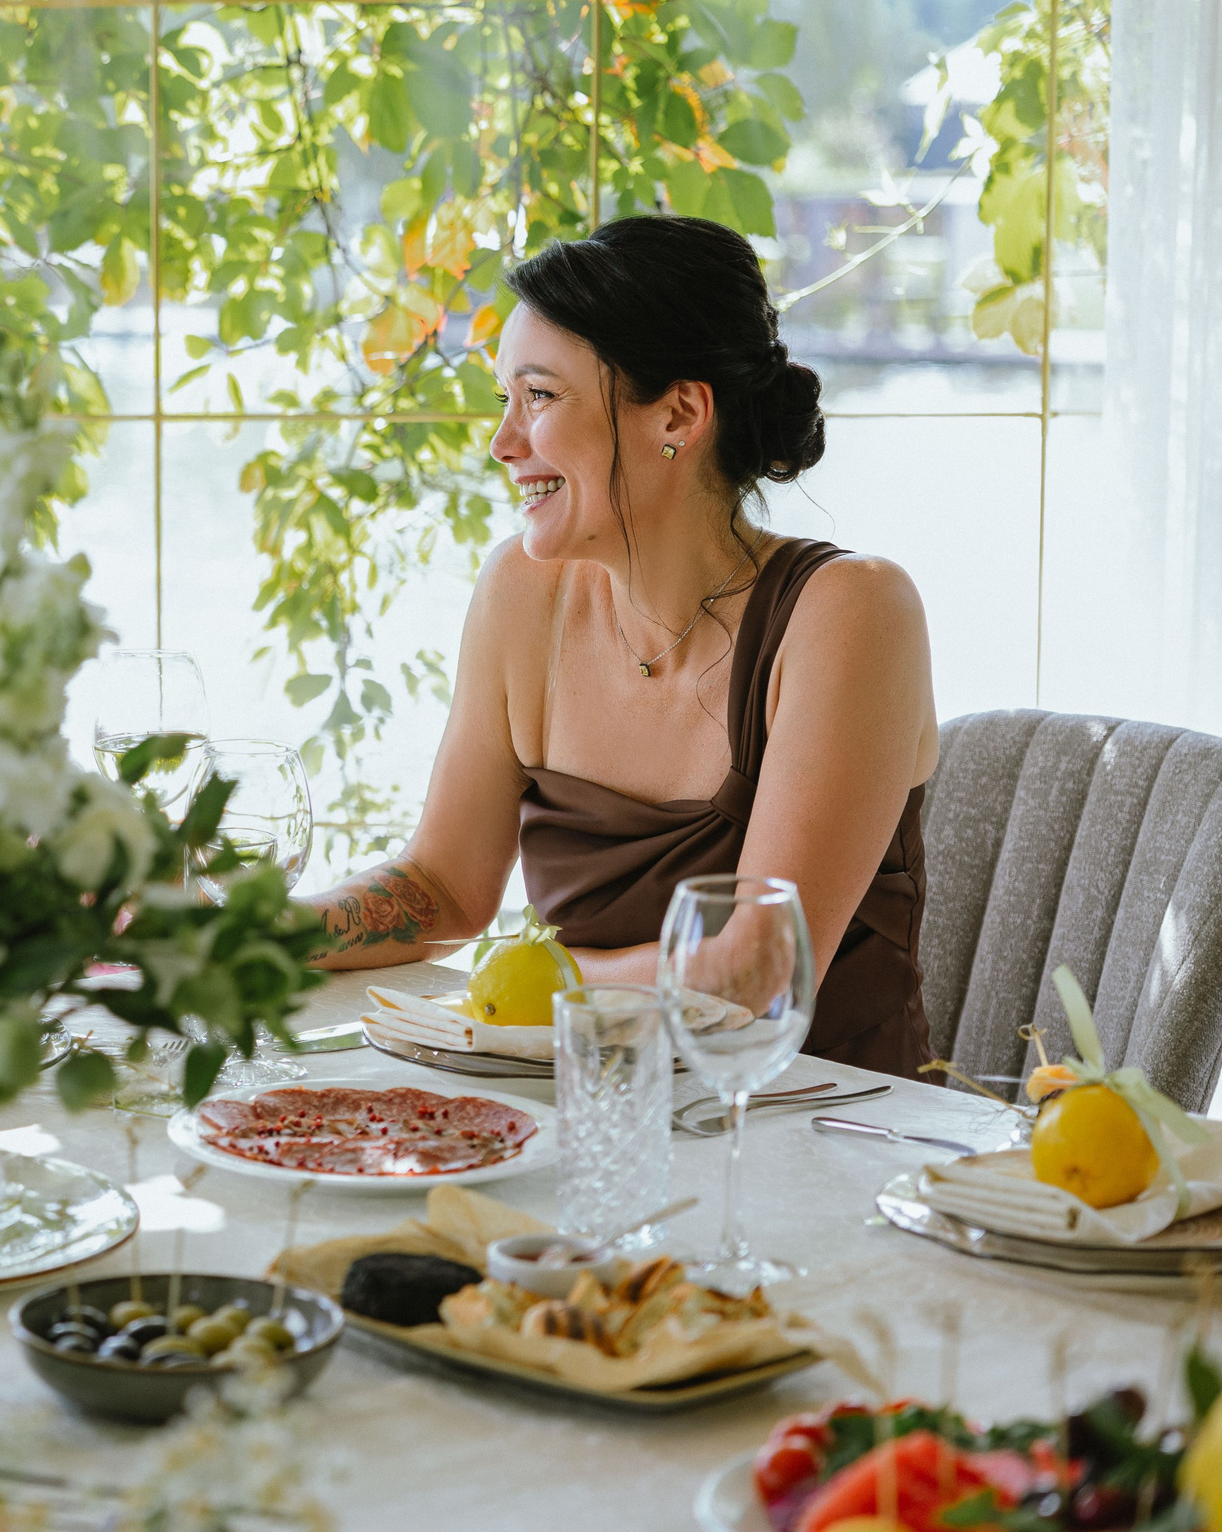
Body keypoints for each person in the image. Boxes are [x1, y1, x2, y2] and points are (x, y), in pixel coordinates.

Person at [300, 215, 939, 1078]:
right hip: (584, 1112)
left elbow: (753, 972)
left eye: (540, 397)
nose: (503, 443)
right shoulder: (524, 594)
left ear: (678, 413)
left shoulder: (851, 611)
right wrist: (248, 933)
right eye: (505, 401)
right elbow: (446, 887)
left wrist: (507, 993)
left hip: (816, 1132)